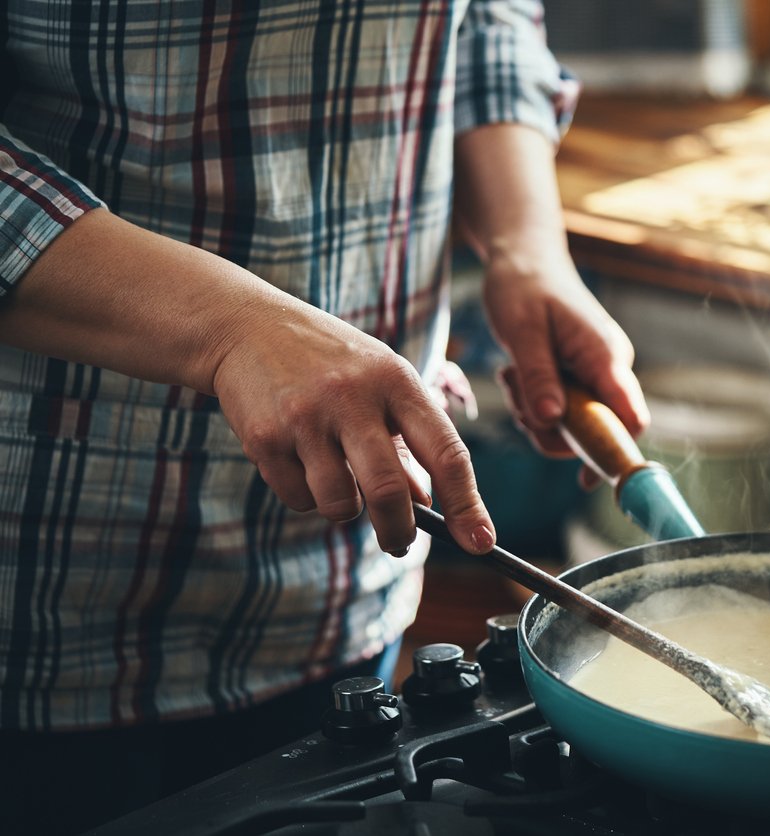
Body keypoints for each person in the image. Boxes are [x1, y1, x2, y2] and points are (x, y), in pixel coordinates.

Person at [0, 2, 647, 832]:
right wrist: (230, 327)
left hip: (346, 582)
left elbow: (486, 17)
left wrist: (526, 243)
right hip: (45, 590)